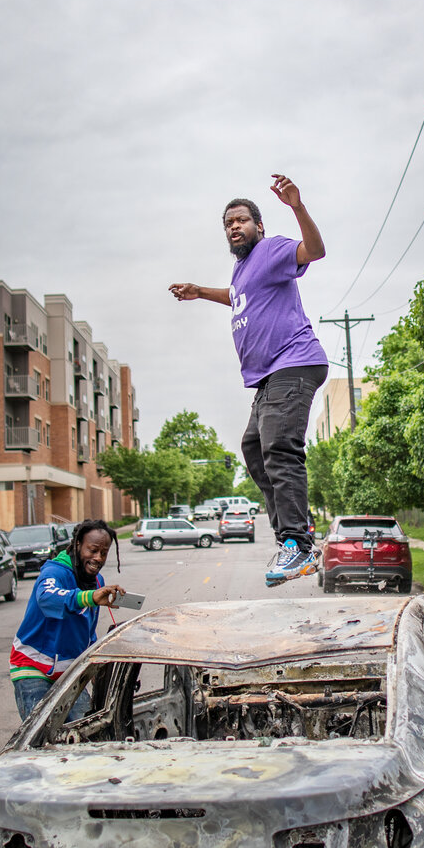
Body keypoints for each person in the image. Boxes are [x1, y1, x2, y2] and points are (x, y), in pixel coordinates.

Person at [169, 174, 327, 587]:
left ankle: (297, 544)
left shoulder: (272, 250)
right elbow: (236, 295)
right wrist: (199, 291)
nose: (234, 227)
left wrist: (297, 206)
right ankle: (295, 537)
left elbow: (315, 250)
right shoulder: (242, 271)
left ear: (259, 226)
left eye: (241, 220)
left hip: (292, 363)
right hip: (268, 377)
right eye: (228, 223)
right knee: (254, 448)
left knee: (280, 448)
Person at [9, 519, 125, 721]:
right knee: (43, 737)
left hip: (69, 671)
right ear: (78, 544)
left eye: (104, 553)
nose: (98, 558)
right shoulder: (55, 571)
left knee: (85, 730)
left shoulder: (97, 581)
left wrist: (96, 667)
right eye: (93, 550)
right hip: (33, 667)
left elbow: (86, 629)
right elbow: (47, 598)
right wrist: (88, 597)